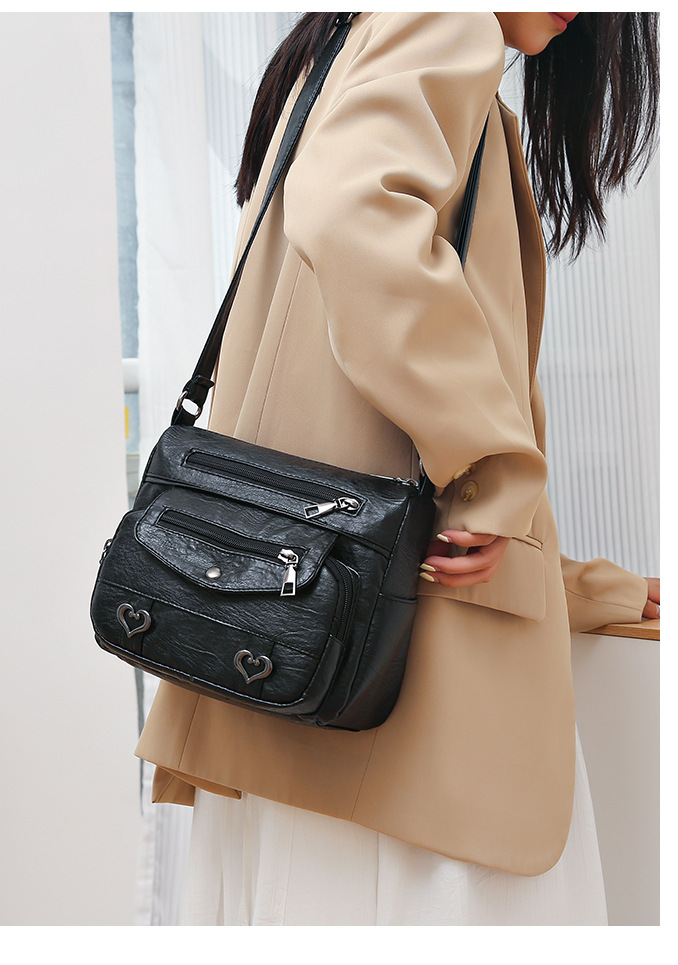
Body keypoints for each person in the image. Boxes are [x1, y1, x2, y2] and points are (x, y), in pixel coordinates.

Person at [135, 12, 660, 925]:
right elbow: (351, 209)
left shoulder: (346, 48)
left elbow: (340, 453)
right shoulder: (443, 20)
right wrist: (490, 464)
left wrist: (572, 584)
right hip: (397, 713)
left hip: (298, 661)